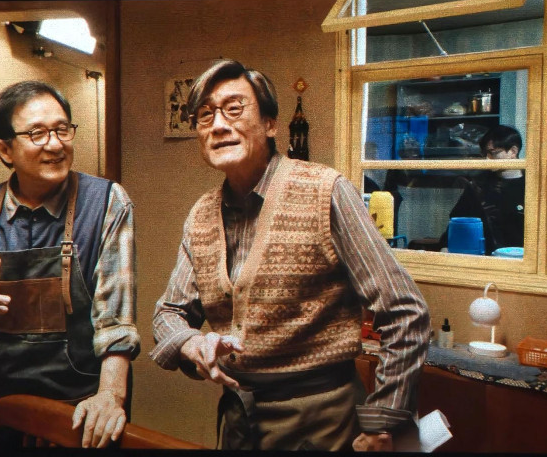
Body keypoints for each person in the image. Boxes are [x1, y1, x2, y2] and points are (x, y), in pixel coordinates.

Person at [150, 60, 430, 452]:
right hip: (240, 420)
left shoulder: (326, 191)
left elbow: (406, 312)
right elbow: (168, 313)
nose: (218, 125)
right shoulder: (201, 215)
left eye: (234, 109)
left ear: (270, 124)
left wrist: (382, 421)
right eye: (205, 115)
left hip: (324, 422)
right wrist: (189, 343)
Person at [0, 81, 140, 448]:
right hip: (2, 409)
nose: (56, 144)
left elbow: (115, 320)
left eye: (62, 129)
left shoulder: (106, 203)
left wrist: (111, 395)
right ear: (4, 149)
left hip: (81, 406)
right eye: (37, 133)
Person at [441, 125, 525, 255]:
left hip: (523, 258)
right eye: (485, 154)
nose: (487, 159)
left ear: (513, 151)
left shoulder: (534, 185)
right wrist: (445, 246)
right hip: (485, 257)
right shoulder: (478, 185)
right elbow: (458, 221)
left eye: (493, 153)